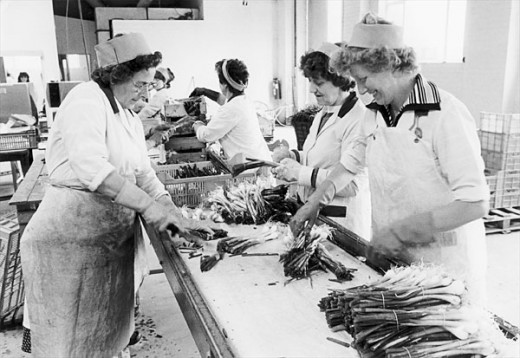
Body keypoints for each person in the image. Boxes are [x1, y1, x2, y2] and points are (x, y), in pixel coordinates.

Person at [20, 32, 212, 357]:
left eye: (149, 86)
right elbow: (92, 170)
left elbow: (143, 173)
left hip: (107, 244)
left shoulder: (128, 117)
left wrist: (171, 210)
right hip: (70, 243)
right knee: (68, 340)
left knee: (106, 336)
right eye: (139, 85)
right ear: (116, 75)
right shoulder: (86, 100)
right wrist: (151, 209)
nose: (145, 93)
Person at [293, 13, 489, 304]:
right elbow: (349, 164)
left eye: (363, 79)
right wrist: (313, 202)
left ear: (389, 64)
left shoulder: (445, 113)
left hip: (445, 266)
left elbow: (475, 203)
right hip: (395, 258)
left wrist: (404, 231)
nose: (360, 90)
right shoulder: (373, 114)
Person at [272, 43, 371, 240]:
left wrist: (300, 174)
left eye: (318, 83)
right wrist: (293, 155)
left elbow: (352, 185)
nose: (311, 89)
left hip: (340, 222)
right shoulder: (324, 112)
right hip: (316, 215)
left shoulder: (359, 119)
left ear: (340, 80)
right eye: (310, 81)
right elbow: (318, 156)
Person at [189, 58, 272, 162]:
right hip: (260, 161)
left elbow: (207, 135)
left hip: (248, 169)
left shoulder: (231, 109)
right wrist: (205, 91)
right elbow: (225, 101)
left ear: (224, 85)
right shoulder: (244, 101)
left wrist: (197, 124)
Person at [137, 67, 175, 149]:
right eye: (154, 78)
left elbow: (150, 110)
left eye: (158, 79)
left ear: (165, 83)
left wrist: (136, 119)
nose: (155, 81)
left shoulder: (161, 94)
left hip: (156, 127)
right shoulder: (160, 93)